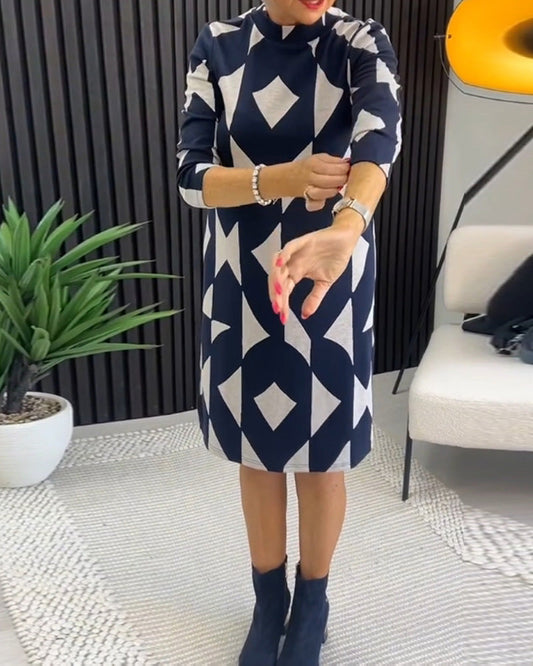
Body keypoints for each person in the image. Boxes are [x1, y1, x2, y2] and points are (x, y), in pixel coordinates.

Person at [177, 1, 402, 663]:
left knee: (322, 452)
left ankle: (312, 603)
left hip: (329, 278)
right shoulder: (218, 44)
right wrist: (282, 179)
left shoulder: (359, 40)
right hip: (239, 275)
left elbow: (380, 141)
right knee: (256, 450)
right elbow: (190, 176)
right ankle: (267, 600)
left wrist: (346, 226)